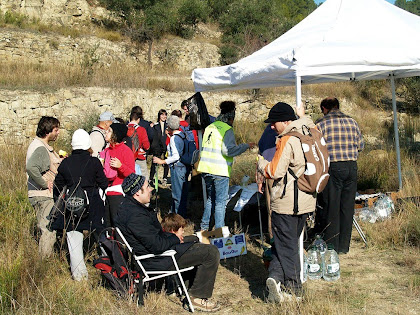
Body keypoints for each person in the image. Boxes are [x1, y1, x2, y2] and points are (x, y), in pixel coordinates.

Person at [115, 173, 221, 312]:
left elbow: (153, 238)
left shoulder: (129, 207)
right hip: (156, 260)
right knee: (210, 252)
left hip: (155, 253)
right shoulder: (135, 216)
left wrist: (175, 237)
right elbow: (157, 246)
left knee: (194, 239)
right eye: (147, 187)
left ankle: (187, 287)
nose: (151, 189)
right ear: (137, 193)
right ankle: (197, 297)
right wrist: (175, 238)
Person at [256, 102, 316, 302]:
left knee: (286, 247)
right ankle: (275, 278)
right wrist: (303, 115)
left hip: (287, 202)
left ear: (285, 121)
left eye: (274, 123)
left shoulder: (287, 139)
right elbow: (312, 123)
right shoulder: (309, 130)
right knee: (286, 245)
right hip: (306, 201)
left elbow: (275, 171)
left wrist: (261, 163)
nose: (272, 127)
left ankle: (293, 288)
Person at [52, 129, 108, 281]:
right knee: (100, 233)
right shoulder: (94, 162)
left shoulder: (65, 163)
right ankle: (107, 263)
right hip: (92, 204)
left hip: (73, 204)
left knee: (74, 238)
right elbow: (103, 182)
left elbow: (57, 186)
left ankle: (79, 275)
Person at [316, 97, 364, 254]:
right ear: (338, 106)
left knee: (332, 206)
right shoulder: (352, 121)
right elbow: (361, 146)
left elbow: (316, 148)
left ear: (324, 108)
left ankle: (332, 245)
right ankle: (344, 246)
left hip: (334, 166)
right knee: (347, 207)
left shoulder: (321, 124)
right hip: (351, 165)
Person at [197, 101, 255, 231]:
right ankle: (219, 231)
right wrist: (245, 146)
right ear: (231, 118)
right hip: (219, 170)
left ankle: (204, 227)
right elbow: (228, 151)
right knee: (220, 202)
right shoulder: (227, 129)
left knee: (211, 199)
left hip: (206, 169)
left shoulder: (210, 127)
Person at [26, 116, 61, 258]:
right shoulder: (40, 148)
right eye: (56, 130)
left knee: (47, 229)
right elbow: (31, 167)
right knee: (48, 230)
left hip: (40, 194)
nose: (58, 133)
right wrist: (44, 183)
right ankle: (43, 264)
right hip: (43, 194)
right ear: (48, 131)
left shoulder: (39, 146)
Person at [153, 115, 190, 218]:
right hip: (183, 167)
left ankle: (177, 219)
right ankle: (179, 215)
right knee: (182, 194)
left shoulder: (174, 138)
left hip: (177, 167)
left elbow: (176, 156)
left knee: (177, 195)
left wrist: (162, 161)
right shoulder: (182, 135)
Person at [102, 123, 135, 227]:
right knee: (107, 225)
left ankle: (119, 243)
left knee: (118, 225)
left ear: (116, 134)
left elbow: (132, 174)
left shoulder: (126, 151)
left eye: (109, 131)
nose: (106, 132)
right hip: (105, 192)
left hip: (118, 193)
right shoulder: (106, 151)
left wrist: (120, 166)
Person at [149, 109, 169, 185]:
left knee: (166, 162)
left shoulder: (168, 125)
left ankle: (165, 178)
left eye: (165, 115)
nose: (164, 116)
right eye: (162, 114)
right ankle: (151, 178)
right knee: (154, 163)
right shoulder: (155, 126)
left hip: (166, 146)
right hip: (157, 147)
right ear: (159, 116)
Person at [127, 110, 150, 176]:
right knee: (143, 179)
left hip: (127, 157)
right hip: (139, 156)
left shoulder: (124, 129)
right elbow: (146, 146)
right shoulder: (141, 129)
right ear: (138, 119)